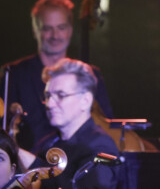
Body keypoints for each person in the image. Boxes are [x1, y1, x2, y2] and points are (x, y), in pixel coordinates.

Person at [0, 0, 113, 152]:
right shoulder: (13, 74)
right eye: (47, 28)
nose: (55, 35)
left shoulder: (90, 74)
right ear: (35, 30)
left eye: (61, 28)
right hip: (27, 167)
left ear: (70, 30)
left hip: (77, 162)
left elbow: (107, 125)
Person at [18, 58, 119, 189]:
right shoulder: (51, 143)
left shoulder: (100, 147)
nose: (50, 104)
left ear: (85, 100)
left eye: (61, 95)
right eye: (48, 96)